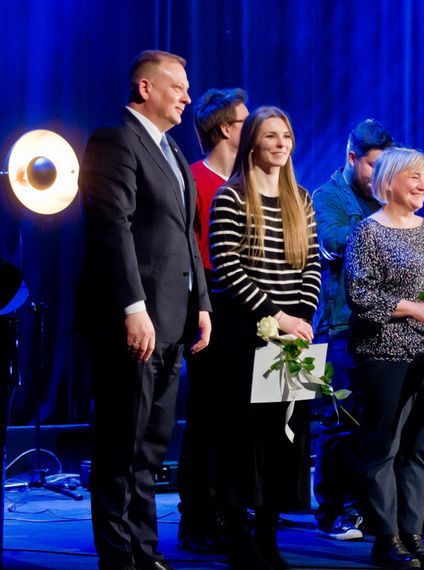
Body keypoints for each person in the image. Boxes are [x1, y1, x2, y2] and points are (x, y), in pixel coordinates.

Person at [76, 49, 211, 570]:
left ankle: (144, 548)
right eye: (177, 86)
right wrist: (134, 307)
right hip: (130, 320)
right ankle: (118, 555)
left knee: (152, 446)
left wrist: (201, 304)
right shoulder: (114, 140)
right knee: (120, 443)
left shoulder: (173, 152)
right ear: (145, 89)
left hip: (174, 320)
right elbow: (113, 228)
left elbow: (185, 236)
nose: (186, 96)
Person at [345, 147, 424, 568]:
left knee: (418, 447)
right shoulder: (368, 231)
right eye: (414, 176)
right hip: (383, 353)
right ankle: (386, 538)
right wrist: (411, 307)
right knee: (383, 446)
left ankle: (413, 535)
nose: (423, 185)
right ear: (390, 180)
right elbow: (360, 294)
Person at [208, 105, 320, 569]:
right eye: (271, 135)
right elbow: (227, 268)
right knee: (240, 438)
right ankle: (238, 534)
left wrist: (300, 319)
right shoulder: (231, 197)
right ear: (252, 141)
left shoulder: (302, 198)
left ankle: (268, 533)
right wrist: (276, 316)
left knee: (284, 438)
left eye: (286, 136)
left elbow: (313, 265)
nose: (281, 143)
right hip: (244, 333)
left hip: (292, 335)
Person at [312, 119, 395, 541]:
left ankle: (364, 508)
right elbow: (334, 241)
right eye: (374, 167)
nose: (381, 177)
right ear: (351, 158)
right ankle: (331, 513)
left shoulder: (385, 197)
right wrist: (390, 231)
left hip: (382, 323)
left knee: (374, 422)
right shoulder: (326, 196)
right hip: (339, 325)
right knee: (341, 419)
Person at [178, 87, 248, 553]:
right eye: (245, 121)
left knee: (238, 419)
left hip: (246, 308)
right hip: (205, 305)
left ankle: (232, 510)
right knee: (205, 415)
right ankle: (196, 518)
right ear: (225, 129)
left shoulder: (253, 180)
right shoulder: (193, 179)